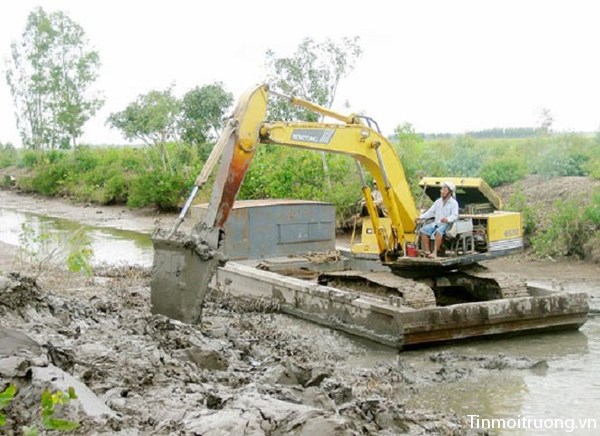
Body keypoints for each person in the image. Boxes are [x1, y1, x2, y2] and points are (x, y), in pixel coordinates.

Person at [416, 181, 459, 258]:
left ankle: (435, 252)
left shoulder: (453, 203)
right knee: (423, 230)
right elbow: (430, 212)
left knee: (439, 232)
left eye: (444, 189)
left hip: (448, 225)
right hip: (437, 223)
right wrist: (420, 217)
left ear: (449, 192)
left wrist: (447, 219)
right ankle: (427, 251)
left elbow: (455, 215)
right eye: (441, 189)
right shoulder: (438, 202)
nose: (441, 191)